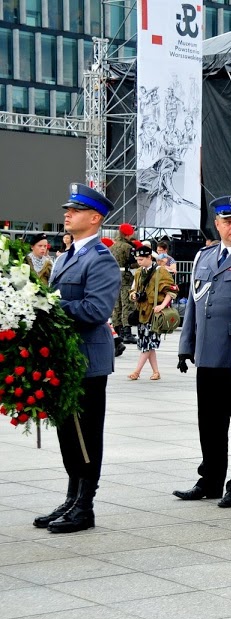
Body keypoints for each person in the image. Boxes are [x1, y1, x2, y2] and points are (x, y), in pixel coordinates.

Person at [36, 183, 121, 534]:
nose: (67, 215)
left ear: (95, 218)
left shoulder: (100, 259)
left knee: (85, 435)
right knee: (69, 435)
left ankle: (85, 506)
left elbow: (95, 309)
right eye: (67, 210)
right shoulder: (68, 256)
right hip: (65, 358)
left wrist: (48, 306)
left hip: (87, 360)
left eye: (75, 210)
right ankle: (72, 497)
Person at [174, 195, 231, 507]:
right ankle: (210, 479)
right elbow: (195, 308)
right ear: (217, 224)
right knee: (209, 423)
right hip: (208, 355)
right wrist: (186, 347)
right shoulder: (204, 257)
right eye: (228, 221)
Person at [127, 245, 177, 381]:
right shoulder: (138, 272)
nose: (139, 262)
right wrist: (133, 296)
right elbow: (132, 289)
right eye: (137, 259)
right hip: (142, 312)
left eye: (141, 259)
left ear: (150, 257)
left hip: (155, 314)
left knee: (148, 344)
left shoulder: (161, 272)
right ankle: (156, 372)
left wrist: (161, 305)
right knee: (148, 344)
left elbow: (172, 291)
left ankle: (137, 371)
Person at [109, 223, 138, 345]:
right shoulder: (127, 247)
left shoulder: (112, 246)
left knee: (117, 306)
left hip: (114, 277)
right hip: (125, 278)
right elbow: (133, 263)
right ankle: (127, 332)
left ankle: (117, 331)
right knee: (127, 304)